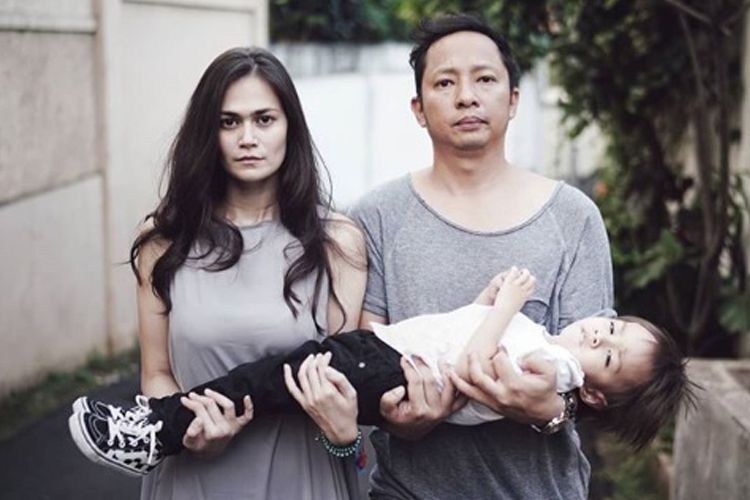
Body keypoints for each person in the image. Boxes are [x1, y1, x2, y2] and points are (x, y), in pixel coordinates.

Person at [69, 267, 692, 477]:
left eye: (609, 356)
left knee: (264, 382)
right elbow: (463, 332)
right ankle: (160, 426)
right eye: (613, 328)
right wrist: (487, 301)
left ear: (597, 396)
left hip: (386, 369)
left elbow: (473, 367)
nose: (598, 336)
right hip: (381, 356)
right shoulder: (547, 342)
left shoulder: (554, 370)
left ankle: (156, 430)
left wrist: (505, 305)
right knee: (267, 384)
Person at [347, 13, 615, 499]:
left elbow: (600, 380)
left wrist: (551, 410)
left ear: (513, 100)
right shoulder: (376, 216)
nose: (466, 96)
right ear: (418, 109)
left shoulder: (573, 217)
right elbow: (364, 354)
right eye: (444, 82)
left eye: (485, 79)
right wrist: (398, 417)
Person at [108, 47, 368, 499]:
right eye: (229, 122)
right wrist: (192, 429)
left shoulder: (337, 242)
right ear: (207, 134)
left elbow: (343, 388)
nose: (248, 138)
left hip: (301, 474)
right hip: (194, 472)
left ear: (290, 127)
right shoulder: (164, 240)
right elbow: (157, 373)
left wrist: (345, 436)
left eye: (264, 119)